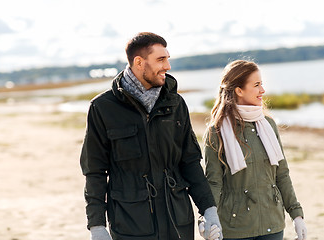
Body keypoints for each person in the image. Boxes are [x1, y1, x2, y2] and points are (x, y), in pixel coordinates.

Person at [80, 32, 222, 240]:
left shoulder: (175, 104)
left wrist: (209, 210)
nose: (168, 66)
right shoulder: (103, 108)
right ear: (139, 62)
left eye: (167, 59)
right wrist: (97, 226)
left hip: (178, 222)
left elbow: (190, 161)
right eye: (161, 59)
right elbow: (95, 171)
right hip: (130, 225)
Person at [201, 60, 307, 240]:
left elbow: (281, 174)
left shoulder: (268, 124)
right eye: (257, 85)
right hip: (235, 227)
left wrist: (296, 215)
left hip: (272, 223)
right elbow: (213, 182)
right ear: (239, 90)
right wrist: (206, 218)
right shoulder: (216, 131)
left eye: (262, 84)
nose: (263, 91)